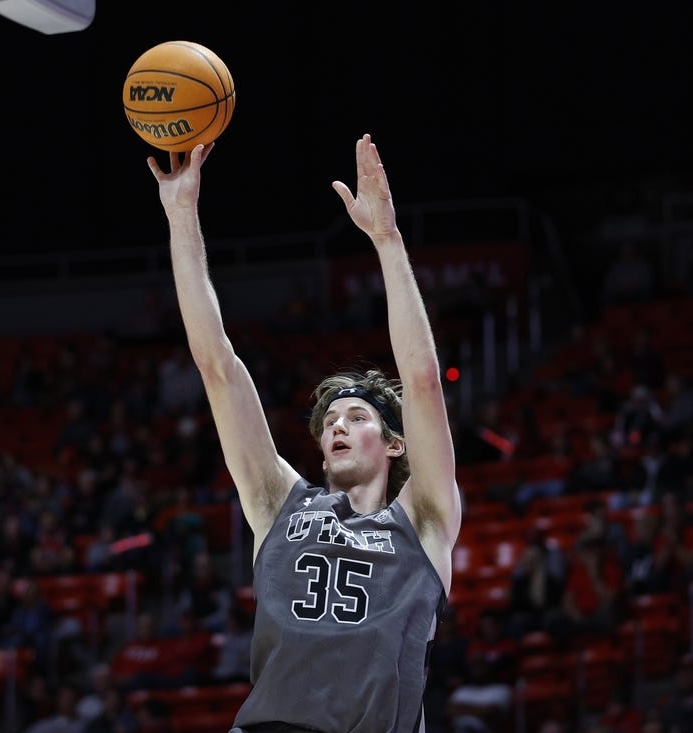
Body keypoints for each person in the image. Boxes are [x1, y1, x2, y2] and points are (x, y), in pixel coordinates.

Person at [147, 134, 461, 732]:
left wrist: (387, 240)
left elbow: (422, 381)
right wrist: (180, 213)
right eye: (330, 422)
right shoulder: (278, 502)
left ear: (396, 445)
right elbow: (217, 365)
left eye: (358, 417)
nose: (338, 425)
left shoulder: (424, 519)